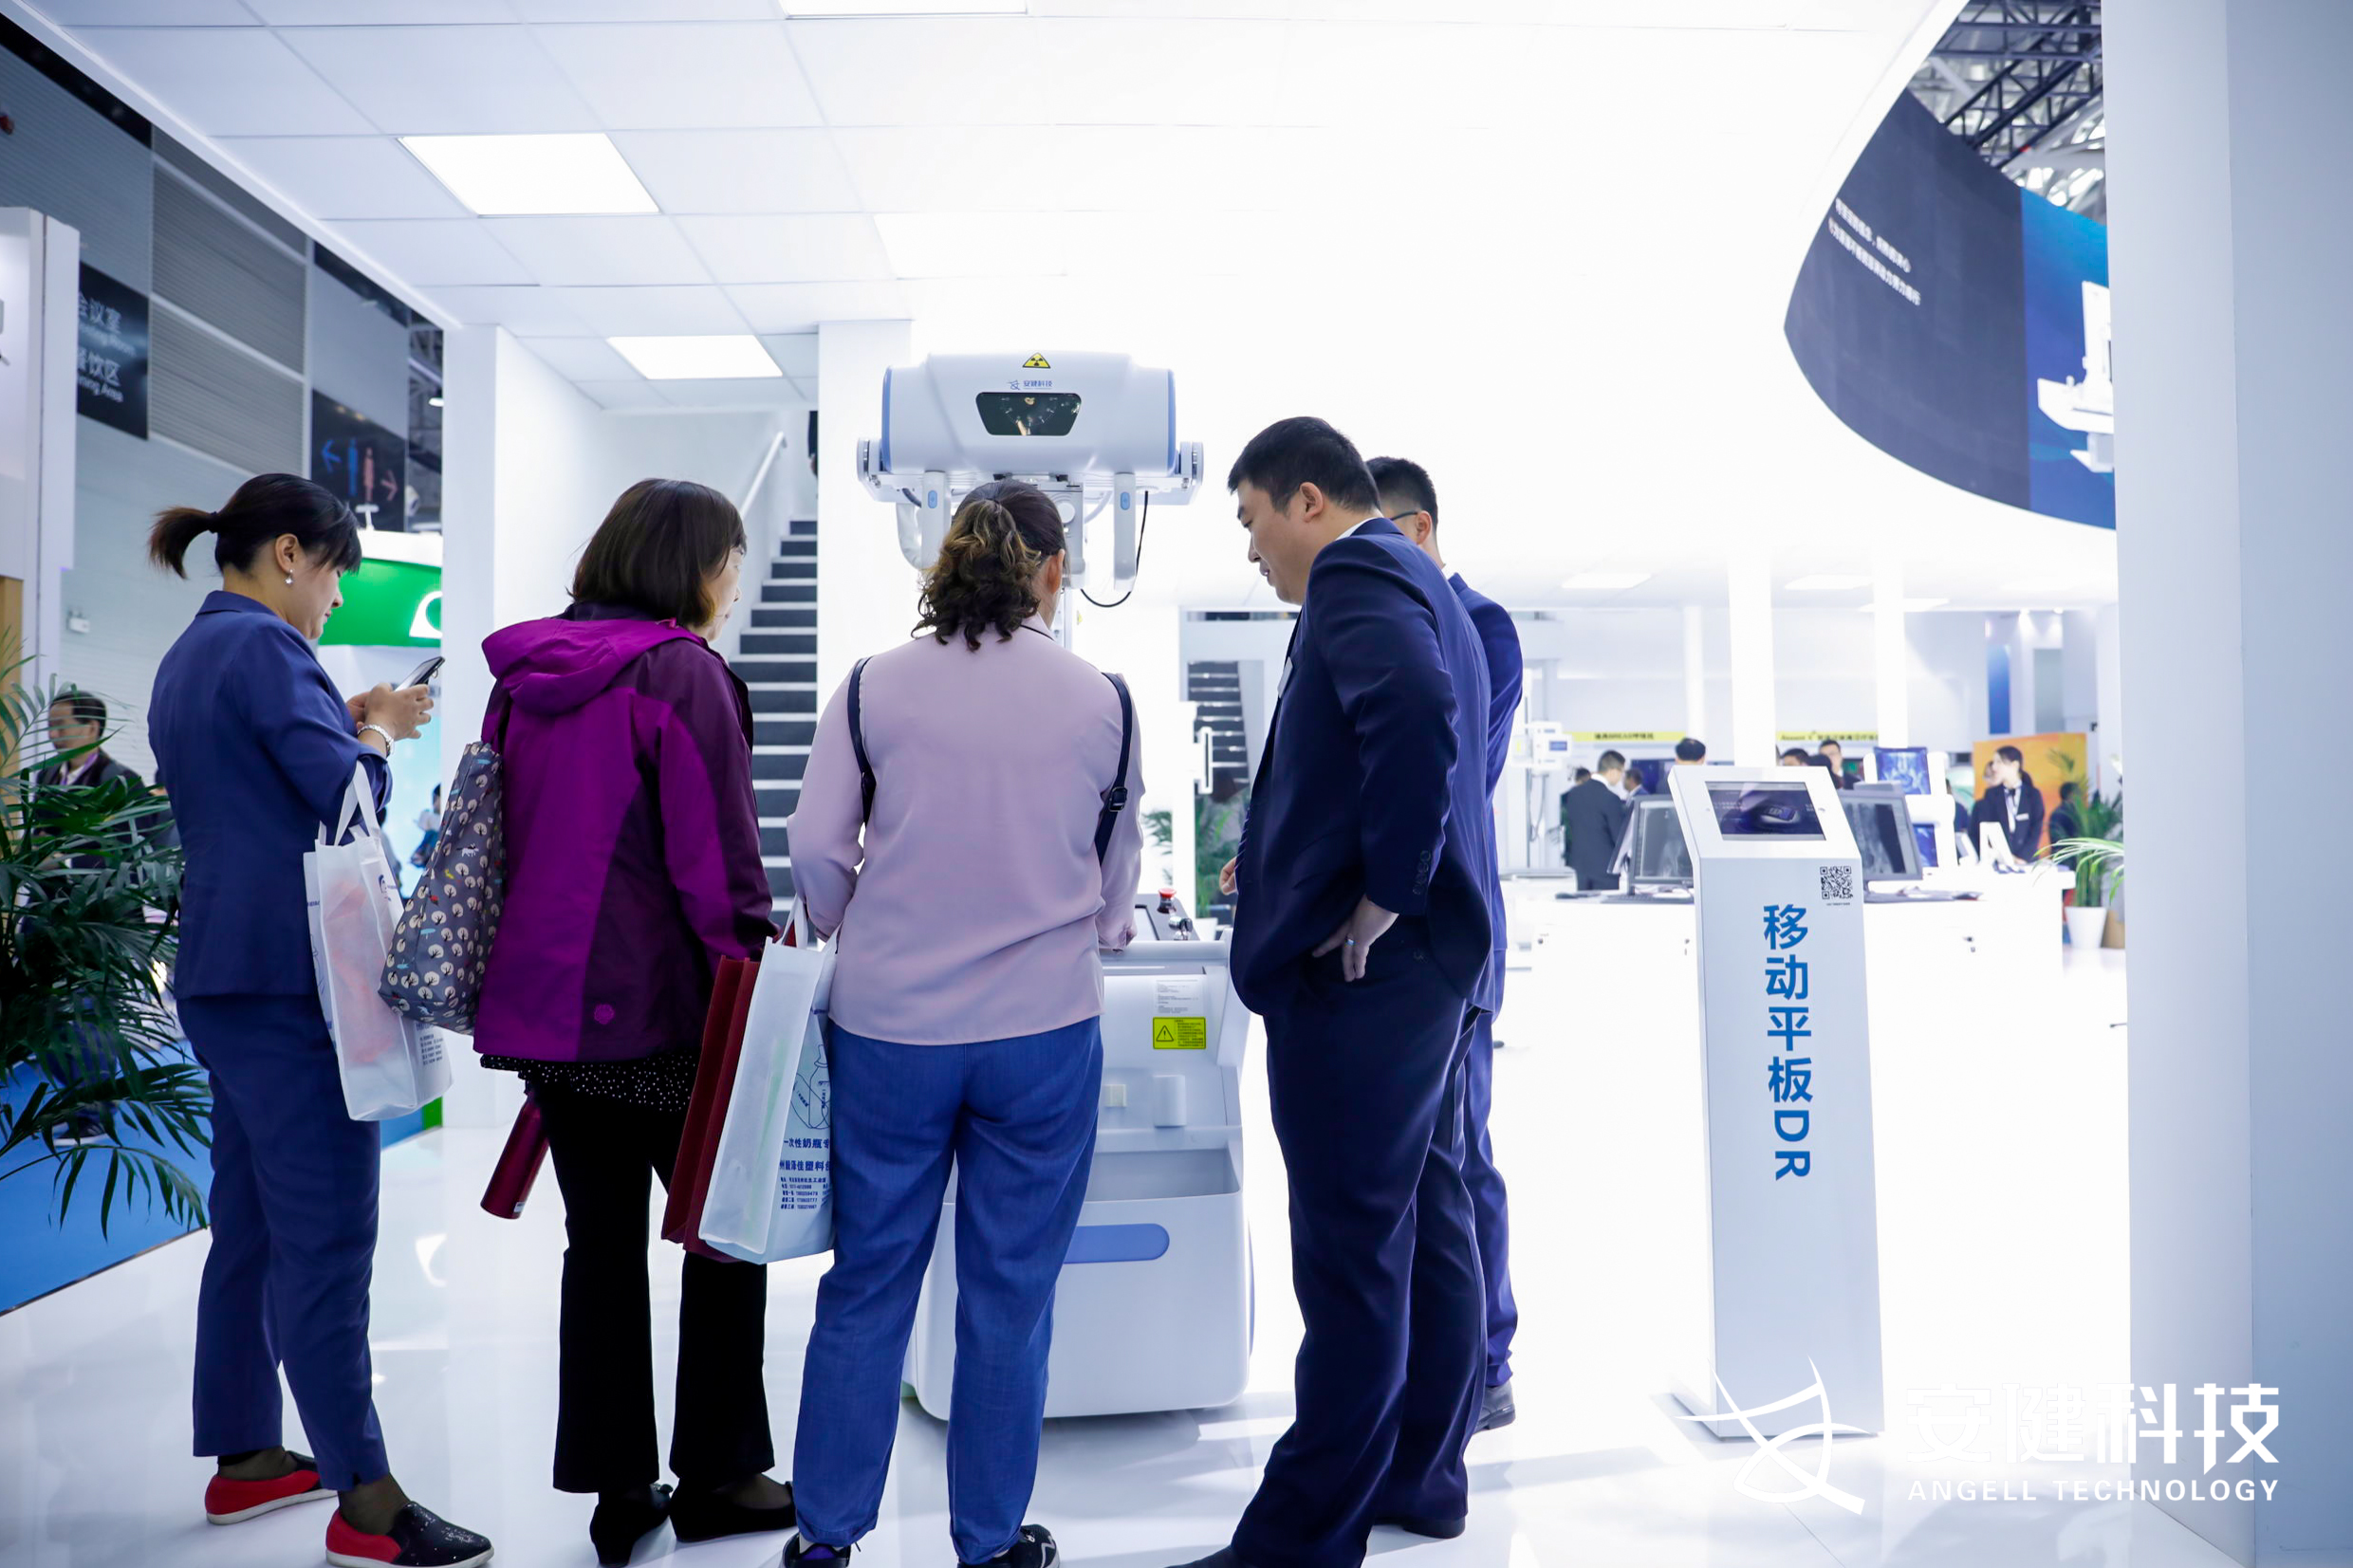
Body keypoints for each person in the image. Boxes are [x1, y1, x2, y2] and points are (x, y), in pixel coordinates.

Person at [782, 479, 1144, 1568]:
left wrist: (854, 923)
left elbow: (813, 848)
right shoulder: (1101, 700)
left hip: (888, 1030)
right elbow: (1115, 880)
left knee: (867, 1283)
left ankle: (825, 1538)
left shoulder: (871, 687)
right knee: (1008, 1296)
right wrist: (1099, 926)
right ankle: (986, 1543)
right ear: (1052, 570)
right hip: (1041, 1031)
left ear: (941, 562)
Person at [145, 473, 489, 1568]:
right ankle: (367, 1500)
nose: (337, 599)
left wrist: (349, 722)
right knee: (329, 1239)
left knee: (249, 1225)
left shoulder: (192, 653)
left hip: (221, 971)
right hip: (294, 987)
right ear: (290, 554)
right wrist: (377, 735)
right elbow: (347, 805)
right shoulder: (267, 647)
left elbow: (252, 788)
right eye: (336, 573)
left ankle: (247, 1455)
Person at [1172, 417, 1492, 1568]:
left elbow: (1410, 717)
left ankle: (1299, 1541)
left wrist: (1381, 897)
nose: (1251, 548)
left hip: (1368, 978)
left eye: (1252, 518)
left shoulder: (1355, 571)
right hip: (1431, 974)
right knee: (1422, 1227)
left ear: (1306, 499)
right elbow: (1372, 755)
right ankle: (1422, 1475)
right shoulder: (1427, 582)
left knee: (1350, 1257)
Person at [472, 478, 786, 1565]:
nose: (733, 588)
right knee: (723, 1232)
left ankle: (617, 1494)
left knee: (597, 1248)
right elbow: (716, 858)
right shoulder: (680, 673)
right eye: (731, 565)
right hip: (665, 1012)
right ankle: (720, 1476)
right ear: (696, 567)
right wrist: (753, 974)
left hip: (549, 1017)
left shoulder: (522, 679)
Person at [1369, 454, 1521, 1431]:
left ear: (1418, 529)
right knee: (1413, 1166)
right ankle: (1426, 1366)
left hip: (1450, 940)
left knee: (1459, 1154)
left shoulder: (1478, 627)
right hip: (1391, 944)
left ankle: (1486, 1364)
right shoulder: (1379, 621)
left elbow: (1454, 774)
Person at [1563, 751, 1632, 891]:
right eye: (1622, 772)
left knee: (1583, 904)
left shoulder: (1574, 794)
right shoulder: (1610, 798)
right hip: (1605, 868)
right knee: (1604, 905)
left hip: (1580, 866)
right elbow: (1619, 837)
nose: (1621, 777)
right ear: (1613, 771)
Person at [1972, 744, 2046, 861]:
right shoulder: (1991, 794)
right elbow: (1987, 828)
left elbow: (2036, 828)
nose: (1994, 767)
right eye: (1994, 762)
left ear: (2015, 765)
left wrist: (2022, 858)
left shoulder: (2033, 795)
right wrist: (2005, 856)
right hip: (2001, 861)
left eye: (1999, 762)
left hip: (2027, 861)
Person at [2049, 780, 2084, 847]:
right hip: (2068, 851)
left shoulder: (2057, 813)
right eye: (2078, 792)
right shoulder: (2064, 814)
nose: (2081, 795)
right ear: (2071, 794)